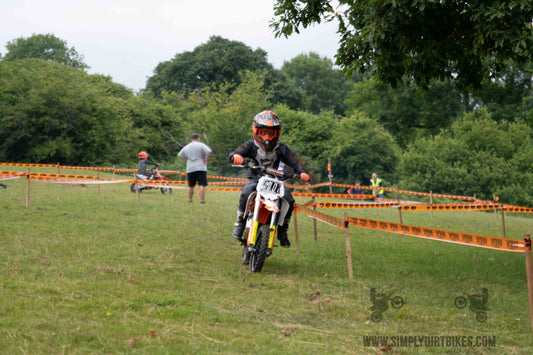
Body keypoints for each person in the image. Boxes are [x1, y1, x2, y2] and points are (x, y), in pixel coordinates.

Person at [227, 110, 310, 248]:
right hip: (256, 179)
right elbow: (234, 154)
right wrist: (236, 157)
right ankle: (240, 223)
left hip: (275, 182)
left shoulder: (281, 148)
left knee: (289, 200)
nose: (267, 137)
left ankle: (283, 230)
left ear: (277, 133)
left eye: (271, 133)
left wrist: (302, 172)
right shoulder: (251, 145)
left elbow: (295, 162)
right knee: (246, 192)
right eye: (263, 132)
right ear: (256, 131)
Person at [178, 133, 212, 203]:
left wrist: (187, 160)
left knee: (191, 186)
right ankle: (202, 200)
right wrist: (206, 159)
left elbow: (180, 155)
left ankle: (190, 200)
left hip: (190, 168)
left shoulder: (187, 146)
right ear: (198, 138)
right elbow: (209, 151)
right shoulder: (201, 145)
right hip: (200, 167)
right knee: (201, 184)